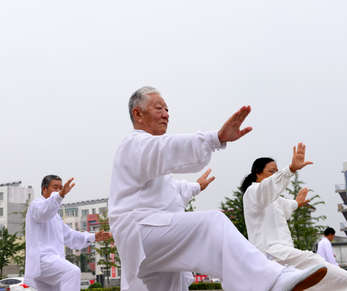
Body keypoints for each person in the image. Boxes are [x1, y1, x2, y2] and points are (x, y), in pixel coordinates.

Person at [108, 86, 327, 291]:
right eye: (159, 108)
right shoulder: (134, 144)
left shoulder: (149, 162)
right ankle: (271, 280)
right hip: (142, 233)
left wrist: (196, 187)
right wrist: (216, 138)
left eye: (167, 109)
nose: (166, 114)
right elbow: (167, 149)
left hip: (147, 240)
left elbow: (171, 191)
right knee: (212, 223)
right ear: (138, 114)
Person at [241, 146, 347, 291]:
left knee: (310, 281)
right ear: (257, 174)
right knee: (314, 264)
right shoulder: (253, 192)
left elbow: (286, 206)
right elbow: (268, 187)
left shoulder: (274, 199)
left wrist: (297, 203)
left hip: (279, 253)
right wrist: (290, 169)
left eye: (277, 172)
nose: (275, 175)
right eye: (271, 171)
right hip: (272, 252)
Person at [25, 175, 109, 291]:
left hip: (53, 262)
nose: (59, 191)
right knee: (72, 271)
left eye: (61, 188)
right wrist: (60, 195)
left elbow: (70, 236)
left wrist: (93, 236)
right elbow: (43, 212)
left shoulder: (55, 216)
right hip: (43, 260)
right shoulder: (36, 205)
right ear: (44, 189)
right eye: (55, 187)